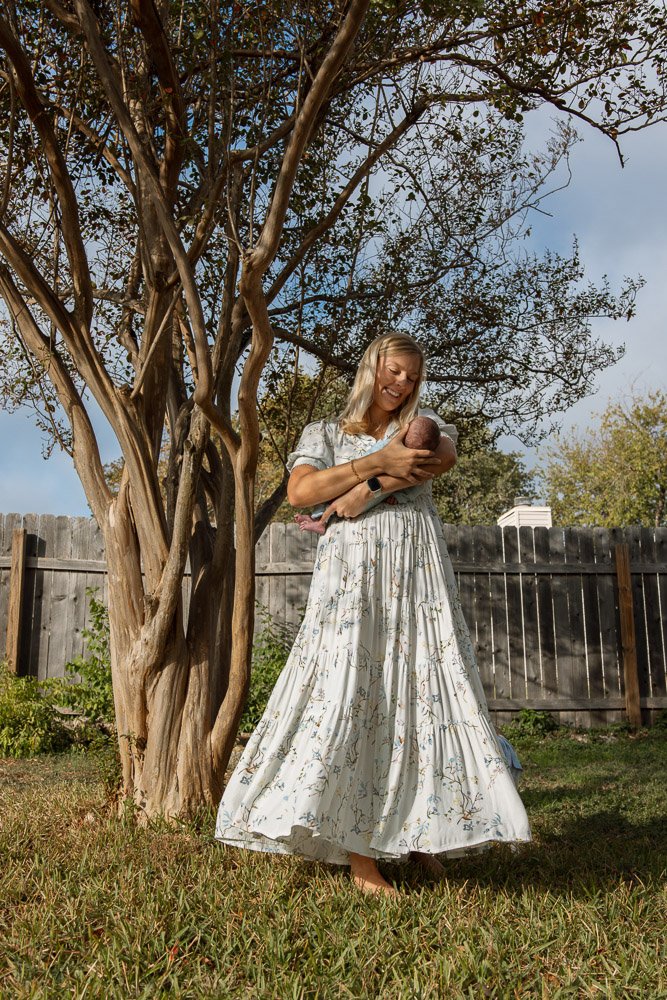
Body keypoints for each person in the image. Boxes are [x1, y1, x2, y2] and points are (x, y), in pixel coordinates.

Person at [215, 333, 531, 895]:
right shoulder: (326, 434)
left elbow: (439, 458)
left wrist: (368, 489)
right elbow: (301, 491)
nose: (402, 384)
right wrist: (374, 464)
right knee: (357, 692)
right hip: (353, 577)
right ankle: (362, 858)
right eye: (394, 371)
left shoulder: (424, 425)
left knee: (421, 693)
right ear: (372, 369)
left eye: (412, 376)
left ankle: (418, 836)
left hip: (417, 572)